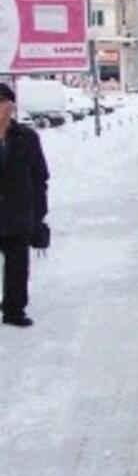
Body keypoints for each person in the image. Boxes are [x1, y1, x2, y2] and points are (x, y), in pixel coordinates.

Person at [0, 83, 50, 328]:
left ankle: (14, 310)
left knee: (17, 267)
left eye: (1, 102)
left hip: (17, 212)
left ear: (11, 106)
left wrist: (38, 214)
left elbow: (39, 177)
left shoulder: (26, 138)